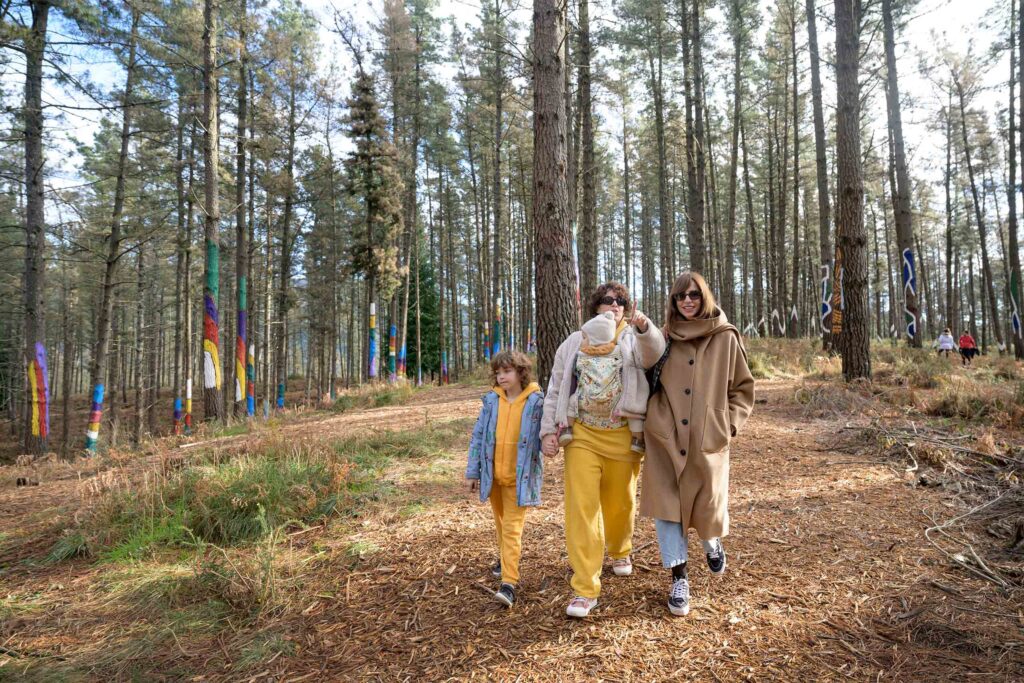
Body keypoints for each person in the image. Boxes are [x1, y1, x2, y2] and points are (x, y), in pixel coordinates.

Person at [540, 282, 663, 618]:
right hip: (582, 436)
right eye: (608, 300)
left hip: (624, 436)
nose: (615, 305)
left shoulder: (631, 338)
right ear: (595, 306)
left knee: (620, 502)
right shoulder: (574, 341)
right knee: (582, 509)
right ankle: (584, 587)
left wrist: (645, 328)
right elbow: (556, 387)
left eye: (621, 301)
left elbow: (655, 354)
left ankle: (620, 549)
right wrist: (548, 430)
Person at [640, 271, 755, 617]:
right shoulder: (664, 339)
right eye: (679, 296)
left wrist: (727, 425)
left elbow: (743, 389)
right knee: (668, 508)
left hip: (709, 436)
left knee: (707, 503)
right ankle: (679, 577)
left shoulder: (725, 337)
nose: (686, 301)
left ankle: (711, 542)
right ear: (672, 302)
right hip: (665, 434)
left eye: (692, 294)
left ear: (704, 296)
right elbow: (644, 378)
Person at [465, 350, 544, 607]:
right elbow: (478, 437)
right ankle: (504, 559)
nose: (502, 377)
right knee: (500, 524)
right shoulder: (491, 401)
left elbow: (544, 434)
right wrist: (473, 472)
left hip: (519, 480)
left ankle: (509, 583)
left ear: (521, 372)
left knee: (512, 530)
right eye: (498, 373)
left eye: (507, 371)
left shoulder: (535, 402)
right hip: (494, 478)